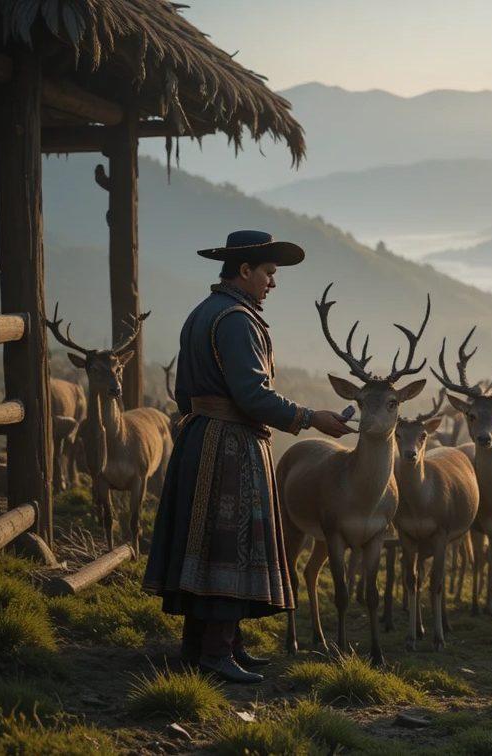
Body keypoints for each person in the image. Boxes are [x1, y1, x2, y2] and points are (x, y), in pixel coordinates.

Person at [143, 230, 354, 683]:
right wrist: (310, 416)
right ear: (245, 271)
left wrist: (205, 423)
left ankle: (205, 647)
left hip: (200, 437)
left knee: (203, 544)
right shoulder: (238, 319)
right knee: (229, 546)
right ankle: (217, 653)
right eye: (269, 273)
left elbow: (184, 393)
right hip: (231, 446)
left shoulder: (202, 314)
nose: (272, 283)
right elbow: (253, 395)